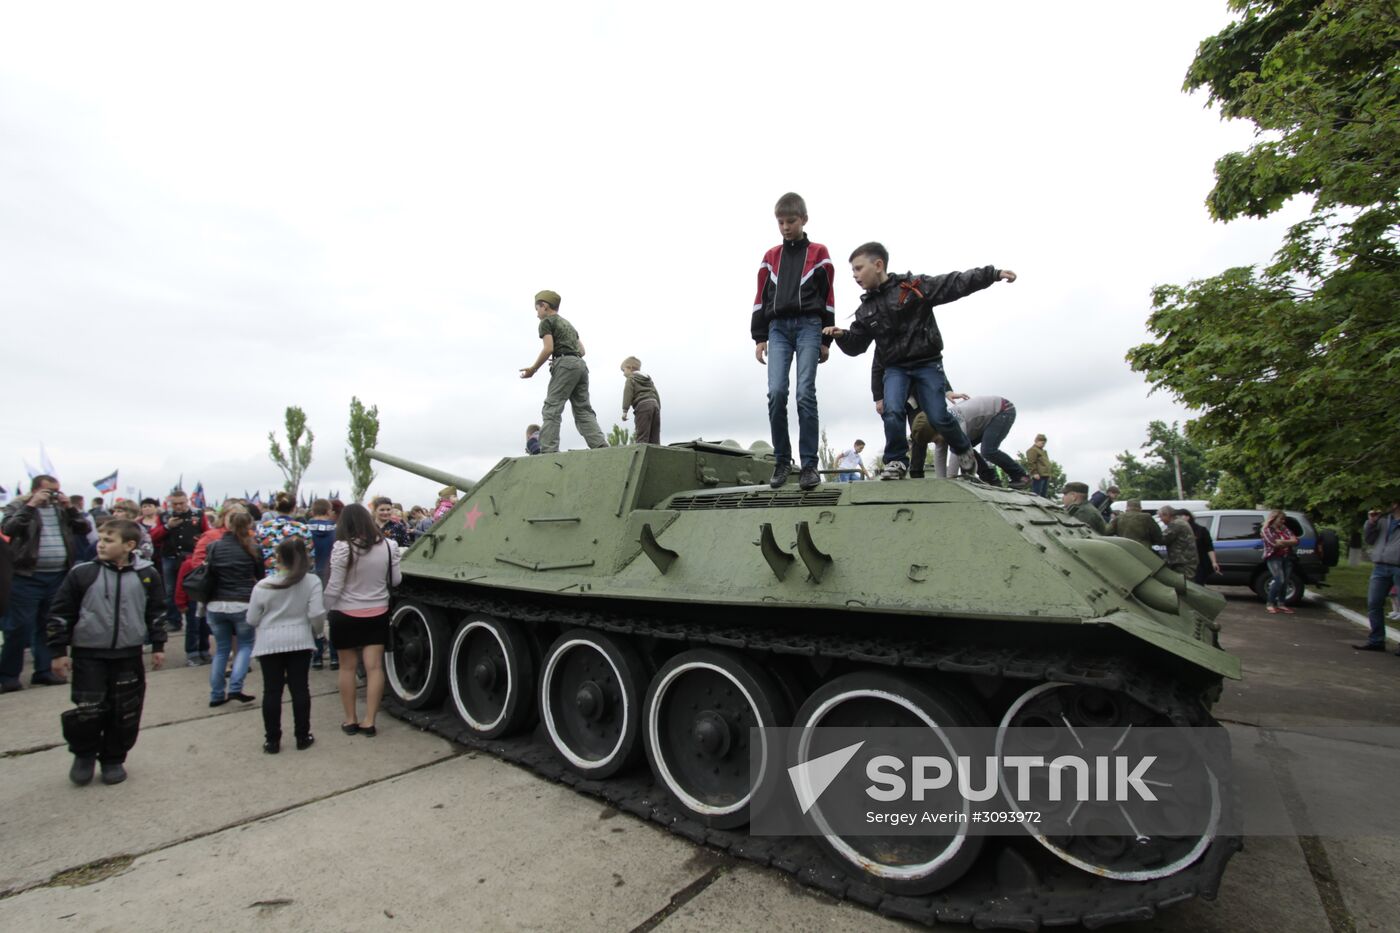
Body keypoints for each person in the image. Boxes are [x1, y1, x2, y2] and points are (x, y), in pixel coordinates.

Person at [825, 243, 1016, 481]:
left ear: (878, 265)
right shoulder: (866, 310)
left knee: (938, 416)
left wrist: (992, 274)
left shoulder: (912, 288)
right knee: (892, 410)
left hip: (927, 362)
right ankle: (896, 460)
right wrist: (842, 335)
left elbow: (952, 284)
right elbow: (857, 345)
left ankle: (963, 448)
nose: (854, 275)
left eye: (858, 268)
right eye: (852, 271)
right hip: (895, 368)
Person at [47, 519, 165, 785]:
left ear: (129, 545)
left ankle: (113, 758)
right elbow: (60, 612)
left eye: (109, 540)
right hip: (90, 654)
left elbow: (156, 612)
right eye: (100, 539)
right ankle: (84, 754)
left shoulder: (147, 574)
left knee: (125, 710)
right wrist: (58, 651)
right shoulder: (82, 573)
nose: (101, 544)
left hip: (128, 655)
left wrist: (158, 645)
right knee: (88, 709)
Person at [751, 193, 835, 491]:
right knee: (776, 392)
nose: (786, 227)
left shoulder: (819, 253)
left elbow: (828, 297)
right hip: (777, 329)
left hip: (810, 326)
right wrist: (760, 336)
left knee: (804, 393)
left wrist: (827, 338)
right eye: (781, 222)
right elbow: (761, 297)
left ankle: (809, 465)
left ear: (804, 220)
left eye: (791, 221)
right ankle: (782, 460)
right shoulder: (770, 257)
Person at [1, 476, 92, 691]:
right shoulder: (19, 505)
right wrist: (31, 506)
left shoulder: (61, 509)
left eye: (57, 491)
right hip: (26, 575)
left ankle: (44, 670)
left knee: (49, 625)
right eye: (49, 491)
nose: (53, 495)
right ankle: (8, 674)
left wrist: (70, 508)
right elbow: (9, 529)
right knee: (19, 627)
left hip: (58, 575)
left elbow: (84, 528)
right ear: (35, 490)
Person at [323, 503, 402, 736]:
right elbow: (395, 580)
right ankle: (370, 721)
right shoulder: (389, 546)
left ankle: (350, 720)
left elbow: (335, 586)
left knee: (347, 668)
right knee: (375, 667)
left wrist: (324, 609)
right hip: (377, 611)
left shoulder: (342, 548)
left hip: (344, 613)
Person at [247, 538, 326, 753]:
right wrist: (318, 632)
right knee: (300, 689)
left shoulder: (263, 585)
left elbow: (252, 618)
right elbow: (317, 612)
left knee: (272, 691)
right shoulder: (312, 582)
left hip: (269, 643)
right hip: (300, 640)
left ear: (278, 558)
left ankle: (272, 740)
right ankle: (303, 735)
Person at [519, 290, 609, 453]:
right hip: (580, 365)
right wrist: (567, 357)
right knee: (583, 409)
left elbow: (548, 349)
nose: (537, 314)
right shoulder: (568, 324)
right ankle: (599, 444)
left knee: (552, 407)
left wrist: (533, 369)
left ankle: (548, 450)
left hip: (565, 365)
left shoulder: (547, 322)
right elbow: (582, 350)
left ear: (544, 306)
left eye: (537, 309)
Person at [204, 510, 264, 707]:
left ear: (227, 525)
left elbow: (209, 572)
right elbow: (260, 577)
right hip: (242, 602)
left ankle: (216, 693)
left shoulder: (213, 547)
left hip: (216, 602)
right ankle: (236, 687)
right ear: (249, 526)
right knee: (245, 645)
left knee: (222, 649)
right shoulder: (253, 549)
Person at [926, 395, 1032, 488]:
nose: (937, 443)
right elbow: (939, 455)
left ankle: (1020, 476)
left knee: (988, 450)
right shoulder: (940, 426)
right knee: (966, 448)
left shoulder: (955, 423)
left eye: (935, 440)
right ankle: (990, 479)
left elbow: (958, 451)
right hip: (985, 419)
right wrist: (940, 482)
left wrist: (950, 482)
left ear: (938, 430)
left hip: (1003, 410)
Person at [150, 490, 209, 636]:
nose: (178, 507)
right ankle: (174, 620)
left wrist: (201, 541)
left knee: (193, 589)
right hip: (170, 557)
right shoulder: (164, 516)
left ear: (187, 501)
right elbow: (153, 537)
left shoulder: (198, 514)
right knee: (170, 591)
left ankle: (195, 620)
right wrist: (167, 527)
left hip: (191, 558)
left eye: (181, 503)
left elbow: (207, 533)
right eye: (175, 504)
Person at [1354, 501, 1400, 652]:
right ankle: (1377, 641)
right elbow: (1369, 540)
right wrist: (1371, 523)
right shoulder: (1383, 521)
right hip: (1380, 566)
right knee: (1374, 603)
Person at [305, 498, 338, 670]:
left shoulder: (304, 529)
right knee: (332, 616)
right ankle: (334, 656)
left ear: (313, 511)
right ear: (328, 511)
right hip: (331, 574)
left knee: (313, 616)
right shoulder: (336, 529)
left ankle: (317, 656)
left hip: (310, 575)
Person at [255, 492, 316, 572]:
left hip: (269, 576)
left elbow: (257, 554)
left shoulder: (263, 527)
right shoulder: (302, 528)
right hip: (294, 575)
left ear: (276, 507)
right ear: (294, 508)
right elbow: (310, 555)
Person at [1260, 509, 1299, 615]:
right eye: (1281, 519)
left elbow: (1296, 540)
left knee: (1285, 581)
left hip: (1287, 557)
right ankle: (1270, 603)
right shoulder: (1267, 530)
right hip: (1274, 558)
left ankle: (1281, 604)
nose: (1283, 521)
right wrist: (1288, 542)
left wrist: (1283, 542)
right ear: (1273, 518)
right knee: (1279, 579)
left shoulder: (1284, 528)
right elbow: (1274, 544)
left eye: (1284, 519)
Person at [620, 356, 662, 445]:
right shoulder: (648, 380)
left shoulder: (631, 379)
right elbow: (655, 393)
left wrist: (625, 411)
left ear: (630, 368)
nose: (623, 374)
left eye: (623, 370)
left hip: (643, 407)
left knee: (642, 436)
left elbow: (628, 394)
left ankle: (640, 456)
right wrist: (658, 408)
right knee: (655, 437)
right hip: (655, 405)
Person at [1180, 509, 1221, 584]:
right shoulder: (1180, 531)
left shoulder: (1201, 530)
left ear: (1187, 517)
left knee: (1198, 584)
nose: (1178, 519)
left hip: (1200, 564)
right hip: (1185, 564)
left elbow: (1209, 547)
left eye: (1180, 516)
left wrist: (1214, 562)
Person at [1160, 507, 1200, 580]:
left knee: (1184, 584)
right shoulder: (1180, 522)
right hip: (1186, 561)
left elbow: (1163, 539)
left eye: (1161, 516)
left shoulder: (1176, 524)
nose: (1161, 519)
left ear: (1167, 515)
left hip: (1183, 562)